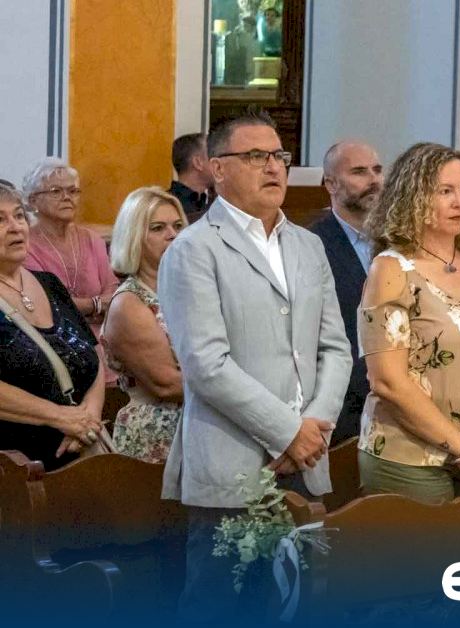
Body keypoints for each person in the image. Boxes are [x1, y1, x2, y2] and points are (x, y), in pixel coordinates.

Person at [158, 112, 352, 620]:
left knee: (297, 606)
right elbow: (206, 364)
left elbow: (335, 347)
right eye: (255, 156)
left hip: (306, 463)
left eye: (279, 156)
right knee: (220, 610)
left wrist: (314, 428)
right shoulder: (193, 250)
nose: (273, 167)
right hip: (233, 465)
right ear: (218, 169)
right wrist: (288, 432)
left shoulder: (307, 245)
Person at [357, 142, 460, 504]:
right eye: (445, 191)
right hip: (411, 457)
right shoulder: (391, 270)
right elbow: (387, 381)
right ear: (412, 198)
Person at [0, 184, 105, 471]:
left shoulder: (49, 284)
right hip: (15, 465)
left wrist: (89, 418)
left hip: (80, 448)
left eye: (19, 216)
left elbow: (93, 353)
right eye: (0, 220)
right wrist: (60, 417)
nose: (15, 227)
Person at [100, 187, 186, 463]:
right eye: (158, 228)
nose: (172, 235)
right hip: (160, 433)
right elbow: (167, 384)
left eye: (178, 226)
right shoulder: (129, 302)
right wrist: (238, 388)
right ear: (134, 237)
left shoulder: (191, 288)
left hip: (204, 421)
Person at [308, 140, 384, 445]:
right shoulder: (312, 244)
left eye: (377, 170)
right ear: (331, 184)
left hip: (397, 402)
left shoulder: (401, 240)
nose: (373, 180)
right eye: (359, 172)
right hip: (341, 406)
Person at [22, 158, 120, 384]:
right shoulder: (25, 245)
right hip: (56, 346)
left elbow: (113, 292)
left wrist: (86, 306)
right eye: (56, 191)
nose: (67, 197)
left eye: (73, 191)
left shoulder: (92, 240)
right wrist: (96, 305)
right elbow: (47, 303)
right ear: (32, 200)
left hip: (104, 343)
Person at [169, 132, 214, 222]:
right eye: (214, 156)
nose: (220, 163)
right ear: (198, 163)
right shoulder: (165, 206)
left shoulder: (210, 204)